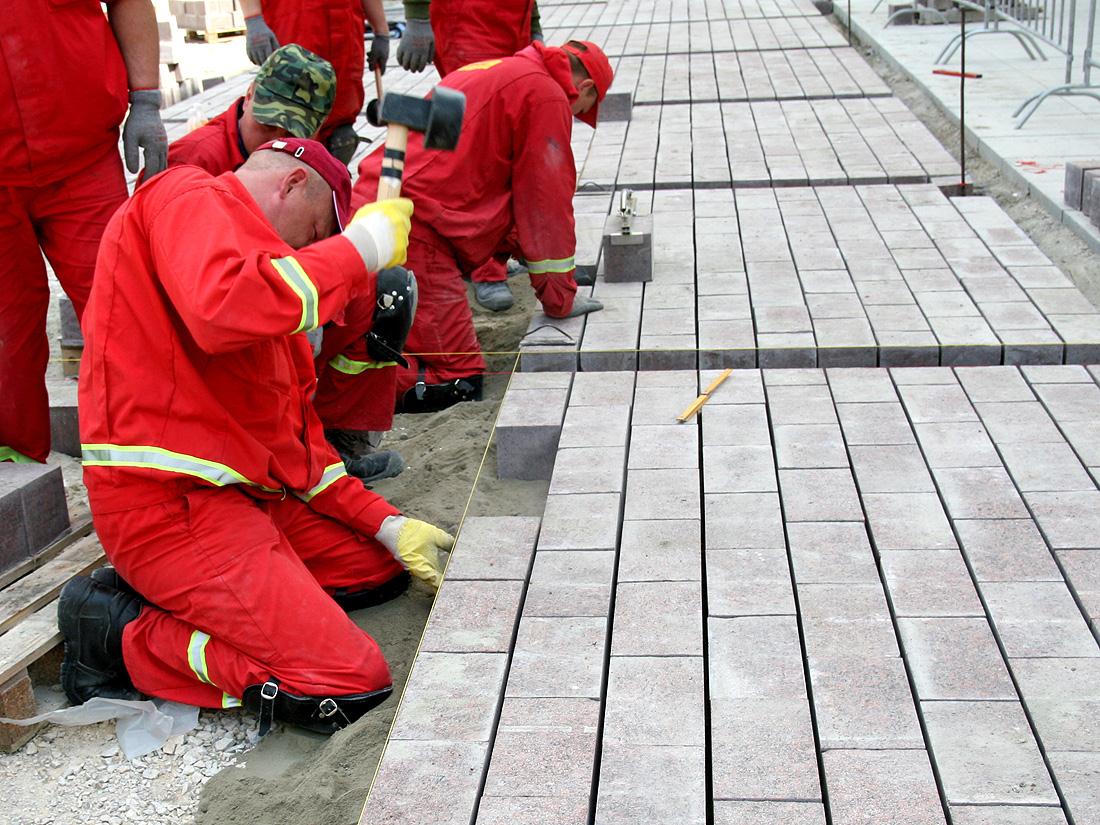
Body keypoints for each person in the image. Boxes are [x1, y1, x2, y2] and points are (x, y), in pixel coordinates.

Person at [57, 138, 453, 734]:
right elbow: (223, 307)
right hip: (168, 508)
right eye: (316, 229)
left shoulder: (269, 297)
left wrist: (387, 526)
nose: (307, 251)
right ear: (292, 186)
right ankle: (120, 636)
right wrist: (359, 248)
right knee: (345, 683)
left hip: (243, 502)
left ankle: (228, 595)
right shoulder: (188, 194)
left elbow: (304, 458)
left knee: (378, 571)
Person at [161, 45, 406, 486]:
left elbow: (321, 234)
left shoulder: (297, 157)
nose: (274, 134)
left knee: (374, 290)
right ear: (250, 94)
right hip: (212, 311)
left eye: (290, 128)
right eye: (268, 122)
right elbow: (191, 287)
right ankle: (286, 450)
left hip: (268, 288)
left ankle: (335, 440)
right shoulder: (193, 159)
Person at [346, 40, 610, 413]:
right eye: (582, 110)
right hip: (415, 229)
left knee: (382, 330)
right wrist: (559, 298)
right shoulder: (546, 95)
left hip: (382, 206)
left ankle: (353, 364)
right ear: (584, 89)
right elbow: (545, 208)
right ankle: (333, 389)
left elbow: (490, 182)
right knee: (460, 378)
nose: (575, 116)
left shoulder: (499, 71)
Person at [0, 0, 166, 465]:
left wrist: (146, 100)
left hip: (80, 155)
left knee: (126, 312)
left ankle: (157, 453)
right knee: (6, 332)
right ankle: (21, 467)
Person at [396, 0, 545, 312]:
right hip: (466, 18)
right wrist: (417, 16)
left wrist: (532, 26)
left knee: (508, 127)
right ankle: (485, 269)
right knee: (481, 136)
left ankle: (499, 251)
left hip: (509, 17)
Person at [240, 0, 391, 164]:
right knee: (287, 129)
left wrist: (381, 31)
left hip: (344, 33)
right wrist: (253, 18)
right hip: (295, 23)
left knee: (342, 135)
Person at [161, 44, 336, 175]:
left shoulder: (317, 166)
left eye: (292, 135)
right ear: (249, 96)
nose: (276, 142)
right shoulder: (191, 161)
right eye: (267, 126)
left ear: (319, 128)